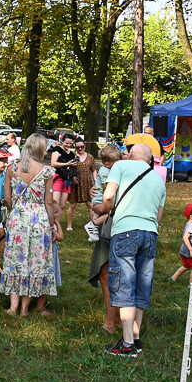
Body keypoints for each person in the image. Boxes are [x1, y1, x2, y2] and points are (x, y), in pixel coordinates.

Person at [93, 143, 167, 357]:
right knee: (142, 284)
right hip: (150, 233)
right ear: (150, 159)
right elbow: (159, 216)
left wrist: (108, 209)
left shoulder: (120, 167)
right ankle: (136, 337)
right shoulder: (158, 179)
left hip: (125, 231)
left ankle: (126, 345)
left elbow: (108, 197)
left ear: (132, 154)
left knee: (124, 283)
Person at [0, 133, 60, 316]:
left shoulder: (12, 168)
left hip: (18, 217)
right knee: (35, 261)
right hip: (38, 219)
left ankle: (13, 307)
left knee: (15, 260)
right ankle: (25, 308)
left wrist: (15, 211)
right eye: (45, 149)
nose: (46, 152)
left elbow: (7, 198)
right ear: (39, 150)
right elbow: (49, 202)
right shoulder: (47, 171)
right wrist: (52, 224)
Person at [87, 143, 124, 333]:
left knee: (111, 274)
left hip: (116, 226)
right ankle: (116, 319)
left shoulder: (121, 171)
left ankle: (116, 320)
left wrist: (100, 207)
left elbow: (106, 202)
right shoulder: (107, 172)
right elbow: (101, 198)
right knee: (109, 274)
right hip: (110, 225)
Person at [169, 204, 192, 285]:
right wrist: (191, 250)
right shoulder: (191, 226)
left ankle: (173, 278)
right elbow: (185, 238)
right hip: (190, 252)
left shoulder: (191, 224)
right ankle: (191, 286)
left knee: (186, 265)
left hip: (185, 251)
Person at [67, 140, 97, 232]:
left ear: (85, 146)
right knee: (73, 204)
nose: (80, 149)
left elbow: (94, 170)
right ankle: (69, 226)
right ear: (75, 147)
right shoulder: (72, 156)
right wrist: (72, 177)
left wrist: (95, 181)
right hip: (75, 184)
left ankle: (94, 224)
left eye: (82, 147)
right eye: (78, 147)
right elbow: (68, 169)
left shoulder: (90, 157)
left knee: (90, 204)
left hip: (87, 183)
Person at [49, 134, 78, 220]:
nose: (68, 145)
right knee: (55, 203)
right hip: (58, 178)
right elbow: (53, 163)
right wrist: (67, 164)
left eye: (70, 143)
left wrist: (73, 177)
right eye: (66, 143)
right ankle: (51, 222)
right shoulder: (57, 150)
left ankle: (57, 223)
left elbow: (71, 168)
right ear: (62, 141)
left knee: (62, 205)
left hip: (67, 180)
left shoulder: (71, 154)